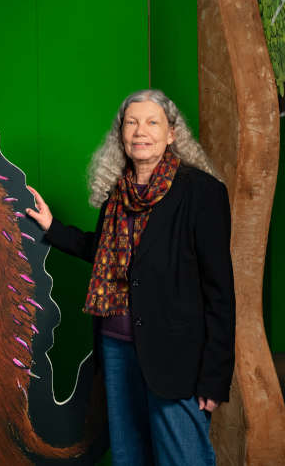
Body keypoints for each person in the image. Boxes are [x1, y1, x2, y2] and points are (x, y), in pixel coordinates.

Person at [25, 89, 234, 466]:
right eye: (131, 122)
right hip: (116, 347)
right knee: (128, 455)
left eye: (152, 122)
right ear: (120, 134)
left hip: (175, 355)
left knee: (184, 458)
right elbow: (106, 252)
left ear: (172, 133)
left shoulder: (202, 194)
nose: (140, 131)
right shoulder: (116, 193)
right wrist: (52, 227)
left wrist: (215, 377)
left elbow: (220, 292)